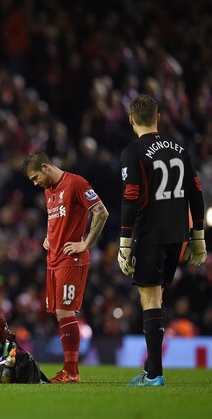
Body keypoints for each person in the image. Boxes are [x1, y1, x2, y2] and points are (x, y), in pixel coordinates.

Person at [118, 95, 206, 387]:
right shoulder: (179, 148)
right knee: (158, 297)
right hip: (178, 234)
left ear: (132, 120)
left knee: (150, 299)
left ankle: (154, 374)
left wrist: (125, 242)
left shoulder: (133, 152)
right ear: (158, 117)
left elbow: (130, 198)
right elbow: (196, 190)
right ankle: (151, 367)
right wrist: (198, 239)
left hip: (150, 233)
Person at [23, 151, 109, 383]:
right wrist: (48, 237)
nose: (35, 183)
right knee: (60, 314)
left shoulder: (75, 183)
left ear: (45, 167)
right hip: (53, 258)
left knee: (65, 311)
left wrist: (86, 243)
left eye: (35, 177)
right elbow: (58, 220)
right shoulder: (48, 191)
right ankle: (69, 370)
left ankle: (72, 371)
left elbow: (101, 212)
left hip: (71, 259)